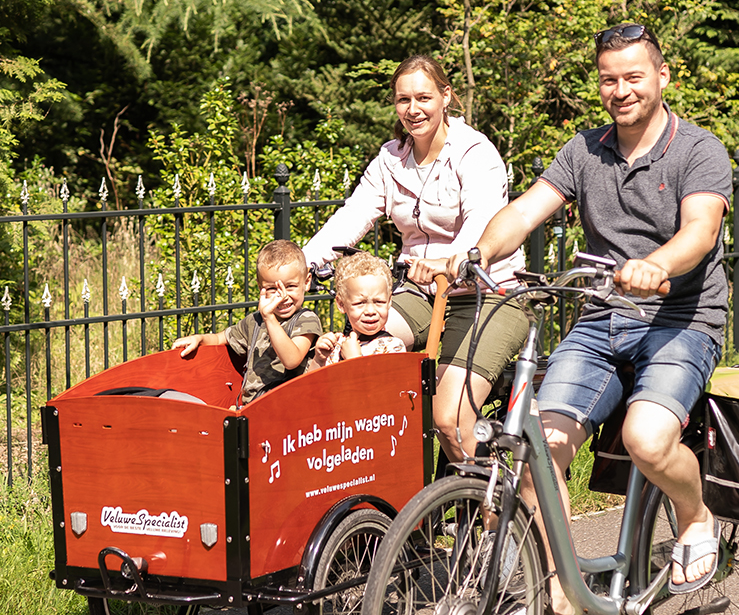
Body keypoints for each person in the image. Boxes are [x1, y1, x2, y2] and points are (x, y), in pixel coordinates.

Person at [417, 22, 732, 615]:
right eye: (609, 80)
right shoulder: (584, 149)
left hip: (680, 320)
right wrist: (478, 254)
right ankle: (566, 591)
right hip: (602, 320)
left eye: (634, 77)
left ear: (662, 77)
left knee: (645, 439)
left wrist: (654, 264)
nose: (622, 91)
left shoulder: (698, 150)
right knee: (536, 450)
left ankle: (695, 516)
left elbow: (700, 232)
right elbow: (525, 211)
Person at [304, 54, 530, 459]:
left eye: (423, 97)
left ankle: (491, 507)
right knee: (359, 355)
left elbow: (482, 222)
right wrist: (303, 264)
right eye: (403, 100)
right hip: (422, 293)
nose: (413, 109)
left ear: (446, 96)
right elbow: (354, 214)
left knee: (449, 416)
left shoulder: (475, 153)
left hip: (490, 294)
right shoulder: (391, 159)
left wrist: (453, 261)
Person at [173, 239, 322, 404]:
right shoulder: (255, 321)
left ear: (307, 282)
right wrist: (199, 339)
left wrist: (269, 318)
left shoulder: (306, 320)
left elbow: (292, 360)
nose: (283, 296)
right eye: (272, 289)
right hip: (252, 406)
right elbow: (221, 338)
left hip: (286, 406)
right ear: (260, 288)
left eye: (291, 286)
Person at [308, 252, 407, 368]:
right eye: (360, 303)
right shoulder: (337, 346)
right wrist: (319, 360)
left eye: (379, 302)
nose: (370, 311)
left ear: (389, 301)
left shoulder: (393, 347)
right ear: (341, 304)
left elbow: (383, 385)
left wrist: (354, 360)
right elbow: (311, 385)